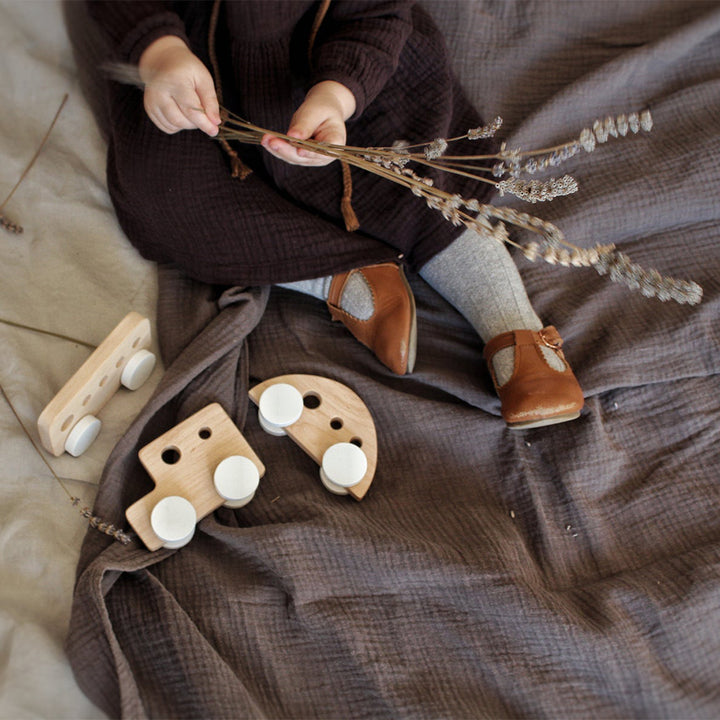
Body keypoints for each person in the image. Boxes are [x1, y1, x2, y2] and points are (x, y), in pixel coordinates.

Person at [86, 0, 583, 429]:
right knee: (163, 196)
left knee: (414, 166)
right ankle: (336, 273)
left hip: (332, 49)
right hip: (192, 62)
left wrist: (338, 94)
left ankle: (507, 319)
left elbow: (378, 13)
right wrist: (159, 51)